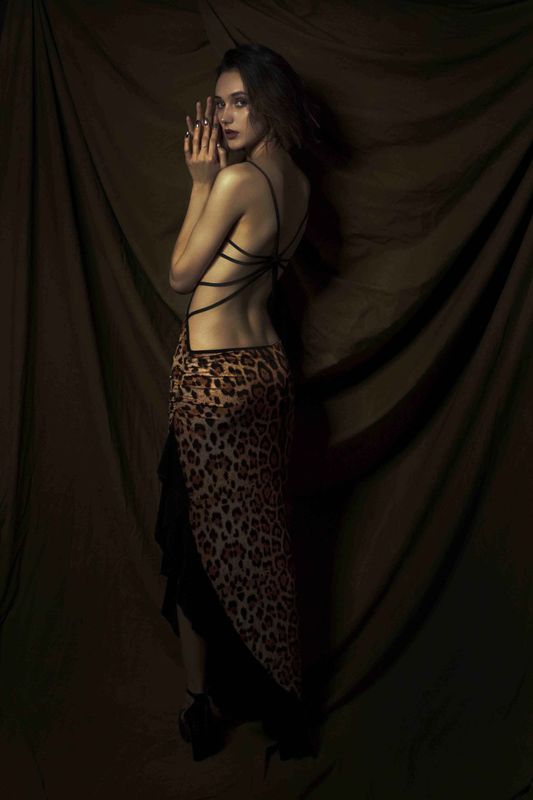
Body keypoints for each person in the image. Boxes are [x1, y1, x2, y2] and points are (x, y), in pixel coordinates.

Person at [154, 43, 321, 771]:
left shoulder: (238, 180)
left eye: (240, 101)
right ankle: (284, 699)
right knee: (260, 543)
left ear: (270, 103)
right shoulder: (299, 184)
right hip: (268, 372)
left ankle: (200, 706)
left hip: (215, 384)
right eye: (218, 102)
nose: (223, 116)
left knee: (198, 543)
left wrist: (200, 184)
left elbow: (180, 275)